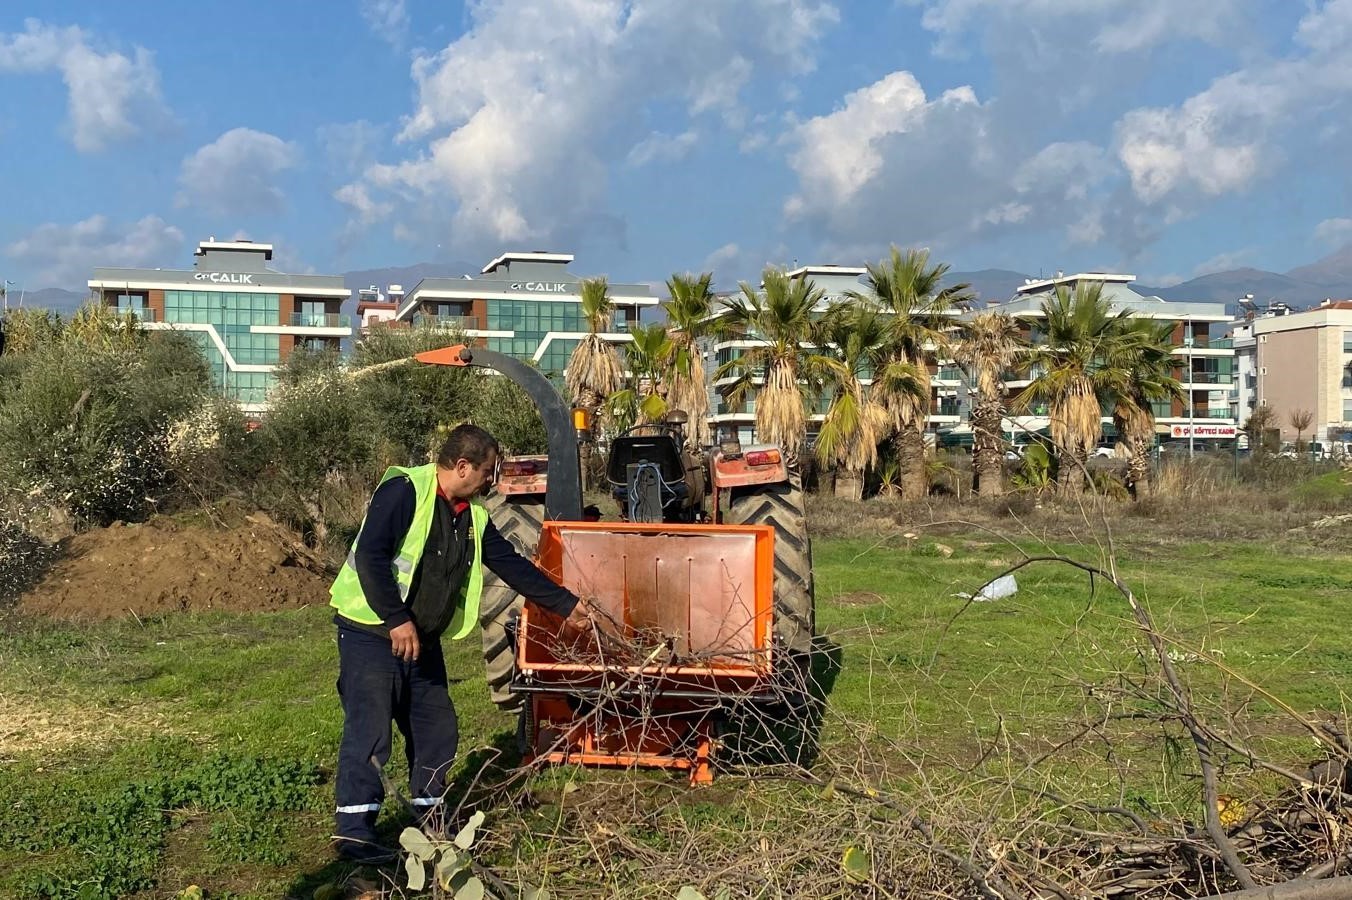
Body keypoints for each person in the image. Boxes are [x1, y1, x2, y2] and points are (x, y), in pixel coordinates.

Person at [327, 423, 594, 863]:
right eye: (488, 472)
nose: (492, 481)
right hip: (371, 633)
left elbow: (511, 565)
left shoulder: (473, 514)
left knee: (437, 728)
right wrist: (397, 620)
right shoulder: (403, 492)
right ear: (463, 466)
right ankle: (355, 833)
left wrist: (567, 605)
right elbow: (372, 556)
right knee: (370, 730)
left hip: (421, 637)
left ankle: (431, 817)